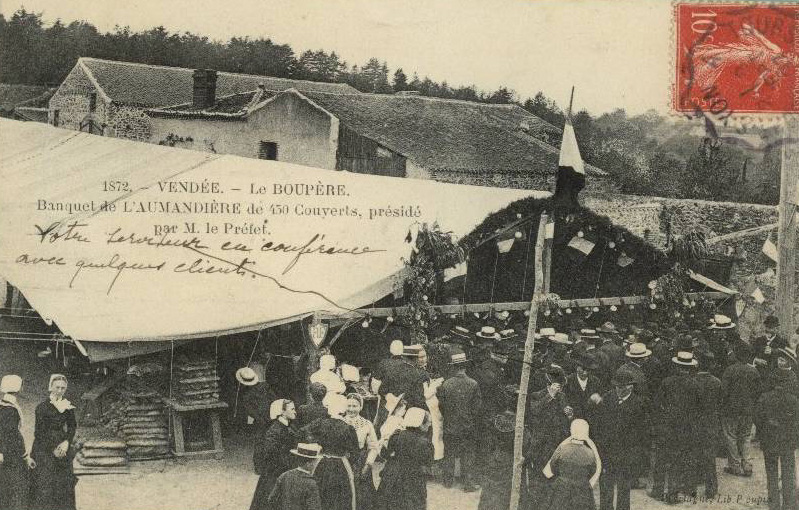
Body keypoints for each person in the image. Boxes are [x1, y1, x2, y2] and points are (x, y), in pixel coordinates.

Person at [594, 371, 650, 510]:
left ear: (630, 387)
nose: (618, 390)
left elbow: (642, 433)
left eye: (622, 387)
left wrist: (636, 454)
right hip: (607, 451)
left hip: (626, 453)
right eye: (616, 387)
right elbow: (599, 423)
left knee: (624, 487)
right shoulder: (608, 397)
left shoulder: (639, 405)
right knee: (606, 484)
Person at [29, 374, 77, 510]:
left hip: (63, 446)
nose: (60, 390)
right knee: (46, 484)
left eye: (63, 388)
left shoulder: (67, 406)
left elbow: (72, 426)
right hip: (44, 446)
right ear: (51, 387)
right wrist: (53, 449)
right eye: (57, 387)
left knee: (64, 484)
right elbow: (38, 433)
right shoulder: (42, 407)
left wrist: (67, 442)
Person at [437, 349, 483, 492]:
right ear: (465, 366)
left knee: (449, 453)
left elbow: (441, 406)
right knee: (467, 454)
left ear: (453, 367)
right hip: (467, 426)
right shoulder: (473, 384)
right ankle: (467, 483)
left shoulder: (446, 384)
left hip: (450, 425)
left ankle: (447, 481)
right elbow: (477, 408)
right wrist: (468, 418)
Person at [659, 351, 702, 502]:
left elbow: (661, 403)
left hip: (671, 425)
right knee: (689, 456)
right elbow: (699, 407)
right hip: (689, 426)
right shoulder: (695, 384)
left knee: (673, 458)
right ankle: (690, 489)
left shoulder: (666, 382)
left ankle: (672, 493)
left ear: (677, 366)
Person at [754, 369, 799, 510]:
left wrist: (764, 430)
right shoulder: (793, 400)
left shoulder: (764, 397)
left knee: (771, 473)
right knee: (788, 472)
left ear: (773, 382)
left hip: (770, 441)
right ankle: (790, 504)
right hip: (788, 441)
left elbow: (757, 418)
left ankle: (773, 505)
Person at [527, 365, 572, 507]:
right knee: (539, 478)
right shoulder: (537, 395)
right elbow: (534, 410)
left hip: (557, 442)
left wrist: (569, 415)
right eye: (558, 386)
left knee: (555, 478)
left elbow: (564, 418)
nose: (560, 389)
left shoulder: (562, 396)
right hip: (541, 444)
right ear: (549, 384)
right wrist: (550, 395)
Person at [305, 393, 360, 510]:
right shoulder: (348, 428)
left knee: (321, 493)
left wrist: (316, 444)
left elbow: (303, 432)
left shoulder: (320, 423)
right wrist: (346, 459)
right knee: (340, 498)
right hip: (341, 464)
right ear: (343, 409)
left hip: (322, 462)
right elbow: (355, 453)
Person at [376, 408, 434, 510]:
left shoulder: (396, 435)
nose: (429, 425)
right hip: (413, 480)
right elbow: (428, 464)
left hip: (392, 477)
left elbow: (387, 453)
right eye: (428, 422)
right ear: (420, 424)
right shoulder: (425, 443)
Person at [250, 399, 301, 510]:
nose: (295, 411)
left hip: (286, 471)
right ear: (282, 412)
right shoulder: (274, 431)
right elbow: (270, 455)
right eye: (292, 409)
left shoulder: (290, 426)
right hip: (275, 475)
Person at [540, 419, 601, 510]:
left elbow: (552, 468)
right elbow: (595, 470)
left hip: (561, 491)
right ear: (587, 433)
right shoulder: (590, 453)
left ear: (571, 431)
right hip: (582, 492)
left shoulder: (562, 449)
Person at [720, 342, 761, 477]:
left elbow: (724, 392)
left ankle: (735, 466)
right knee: (745, 437)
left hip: (731, 410)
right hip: (748, 411)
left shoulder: (729, 370)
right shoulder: (754, 371)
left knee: (731, 437)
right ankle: (747, 465)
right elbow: (758, 392)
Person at [0, 375, 35, 510]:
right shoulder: (9, 409)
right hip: (11, 454)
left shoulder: (5, 405)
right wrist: (24, 454)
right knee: (16, 488)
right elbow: (11, 434)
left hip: (6, 452)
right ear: (18, 388)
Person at [693, 350, 722, 499]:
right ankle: (711, 488)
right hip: (711, 421)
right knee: (709, 455)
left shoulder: (693, 381)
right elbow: (721, 403)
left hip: (695, 421)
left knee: (695, 450)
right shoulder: (717, 382)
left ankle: (696, 479)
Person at [343, 394, 379, 510]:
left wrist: (367, 465)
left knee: (362, 496)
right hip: (344, 461)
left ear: (360, 407)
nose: (351, 409)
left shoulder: (367, 424)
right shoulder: (339, 422)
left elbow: (373, 447)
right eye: (349, 406)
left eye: (355, 406)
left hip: (361, 463)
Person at [268, 443, 324, 510]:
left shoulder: (284, 475)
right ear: (308, 464)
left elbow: (271, 499)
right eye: (315, 463)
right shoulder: (311, 484)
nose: (316, 465)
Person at [565, 354, 605, 423]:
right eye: (583, 369)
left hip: (591, 421)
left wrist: (599, 400)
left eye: (588, 370)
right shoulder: (568, 380)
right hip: (573, 420)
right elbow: (563, 400)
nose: (585, 373)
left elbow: (602, 400)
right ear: (577, 367)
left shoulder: (596, 381)